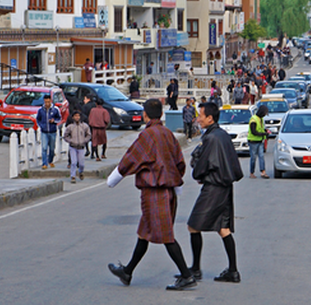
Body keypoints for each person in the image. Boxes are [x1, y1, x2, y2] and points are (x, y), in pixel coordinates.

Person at [106, 99, 196, 291]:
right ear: (161, 115)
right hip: (168, 190)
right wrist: (177, 185)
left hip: (155, 192)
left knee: (166, 235)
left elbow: (131, 158)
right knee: (144, 233)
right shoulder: (167, 134)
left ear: (146, 114)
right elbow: (179, 162)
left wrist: (113, 178)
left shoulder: (147, 135)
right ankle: (128, 271)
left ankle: (187, 276)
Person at [185, 102, 244, 284]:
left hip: (214, 187)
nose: (198, 119)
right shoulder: (222, 135)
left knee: (193, 225)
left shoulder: (211, 139)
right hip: (225, 186)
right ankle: (233, 270)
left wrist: (197, 173)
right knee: (223, 228)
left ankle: (195, 269)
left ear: (210, 118)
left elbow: (203, 165)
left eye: (201, 116)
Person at [63, 110, 91, 184]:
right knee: (73, 162)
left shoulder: (84, 126)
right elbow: (65, 136)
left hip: (81, 147)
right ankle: (73, 176)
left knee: (81, 163)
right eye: (75, 116)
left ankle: (81, 172)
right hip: (73, 147)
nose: (77, 117)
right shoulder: (70, 127)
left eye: (78, 116)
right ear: (73, 117)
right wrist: (70, 141)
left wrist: (84, 140)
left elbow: (88, 135)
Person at [36, 95, 61, 170]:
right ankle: (44, 163)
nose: (47, 103)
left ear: (51, 101)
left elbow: (59, 118)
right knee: (44, 147)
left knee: (52, 148)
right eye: (45, 102)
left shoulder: (55, 109)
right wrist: (41, 126)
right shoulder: (41, 110)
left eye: (48, 102)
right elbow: (38, 119)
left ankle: (50, 160)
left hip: (52, 131)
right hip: (44, 131)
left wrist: (54, 121)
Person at [247, 105, 270, 179]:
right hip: (253, 141)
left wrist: (265, 131)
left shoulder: (261, 119)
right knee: (253, 158)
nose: (264, 115)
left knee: (261, 156)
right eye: (264, 113)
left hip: (260, 140)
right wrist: (264, 134)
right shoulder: (253, 119)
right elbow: (254, 132)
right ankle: (251, 172)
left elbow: (261, 129)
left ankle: (263, 172)